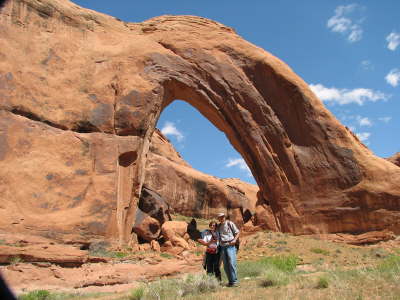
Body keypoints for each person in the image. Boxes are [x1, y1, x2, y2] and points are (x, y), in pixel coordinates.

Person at [216, 212, 240, 287]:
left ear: (225, 217)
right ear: (218, 219)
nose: (222, 218)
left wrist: (235, 240)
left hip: (230, 245)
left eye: (223, 217)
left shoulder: (230, 223)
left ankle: (235, 281)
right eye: (220, 217)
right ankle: (230, 281)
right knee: (226, 265)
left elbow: (237, 232)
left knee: (232, 263)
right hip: (222, 246)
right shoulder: (219, 226)